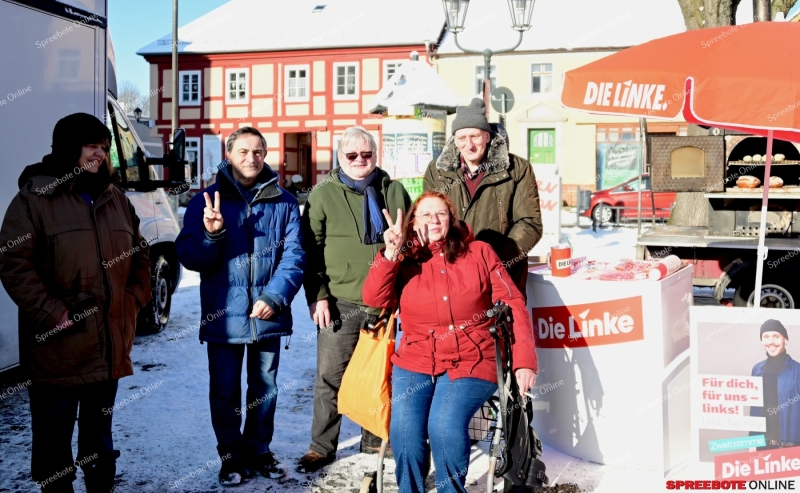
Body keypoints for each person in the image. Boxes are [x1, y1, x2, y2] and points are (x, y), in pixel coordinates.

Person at [0, 113, 152, 493]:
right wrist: (55, 314)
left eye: (103, 147)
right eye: (91, 146)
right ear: (69, 148)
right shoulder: (35, 198)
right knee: (54, 443)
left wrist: (133, 299)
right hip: (58, 348)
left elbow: (141, 256)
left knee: (99, 439)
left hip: (107, 347)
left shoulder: (115, 198)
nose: (100, 154)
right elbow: (13, 263)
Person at [362, 190, 538, 493]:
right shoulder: (403, 258)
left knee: (443, 426)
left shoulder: (480, 253)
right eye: (426, 214)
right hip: (416, 358)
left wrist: (523, 360)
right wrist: (390, 254)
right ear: (413, 222)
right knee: (404, 431)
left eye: (441, 213)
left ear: (452, 219)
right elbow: (374, 298)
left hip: (472, 358)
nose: (434, 220)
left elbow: (513, 303)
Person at [176, 126, 305, 486]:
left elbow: (295, 256)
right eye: (244, 151)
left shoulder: (285, 202)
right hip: (223, 316)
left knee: (265, 387)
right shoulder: (206, 200)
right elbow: (189, 257)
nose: (252, 158)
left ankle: (259, 451)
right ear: (229, 155)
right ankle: (230, 457)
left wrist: (274, 297)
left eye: (259, 151)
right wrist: (211, 234)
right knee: (225, 390)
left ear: (266, 156)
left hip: (267, 314)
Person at [299, 125, 411, 472]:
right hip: (340, 300)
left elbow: (414, 243)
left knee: (378, 373)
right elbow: (310, 250)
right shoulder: (323, 194)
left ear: (375, 156)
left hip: (385, 302)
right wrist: (317, 296)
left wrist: (402, 248)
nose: (360, 161)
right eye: (352, 155)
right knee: (330, 377)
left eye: (367, 155)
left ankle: (374, 437)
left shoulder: (393, 191)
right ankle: (321, 446)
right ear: (339, 158)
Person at [423, 98, 542, 297]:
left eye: (474, 136)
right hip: (452, 277)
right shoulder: (437, 171)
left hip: (502, 276)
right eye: (461, 138)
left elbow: (529, 223)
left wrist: (492, 258)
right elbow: (428, 220)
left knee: (504, 327)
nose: (468, 145)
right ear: (454, 139)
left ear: (487, 136)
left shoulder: (517, 169)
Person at [750, 319, 800, 449]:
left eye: (776, 336)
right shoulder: (757, 370)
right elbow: (754, 411)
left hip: (790, 445)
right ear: (762, 342)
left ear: (786, 340)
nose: (771, 341)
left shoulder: (798, 371)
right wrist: (752, 442)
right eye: (766, 337)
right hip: (763, 444)